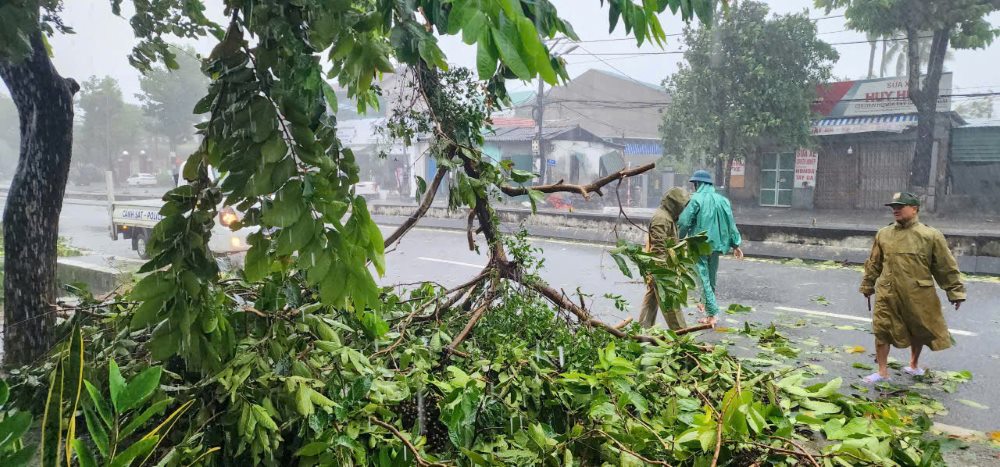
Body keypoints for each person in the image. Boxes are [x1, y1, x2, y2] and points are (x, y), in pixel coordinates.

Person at [859, 192, 966, 384]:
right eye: (893, 207)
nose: (896, 210)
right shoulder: (884, 234)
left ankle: (914, 364)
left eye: (901, 206)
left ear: (915, 208)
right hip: (888, 292)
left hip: (918, 293)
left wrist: (955, 291)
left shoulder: (930, 235)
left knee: (918, 329)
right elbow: (874, 263)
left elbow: (944, 266)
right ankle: (882, 371)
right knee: (881, 329)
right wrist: (868, 284)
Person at [678, 170, 743, 327]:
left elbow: (685, 222)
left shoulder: (695, 200)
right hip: (717, 244)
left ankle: (713, 313)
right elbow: (730, 223)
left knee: (703, 278)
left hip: (699, 243)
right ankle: (707, 309)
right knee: (711, 277)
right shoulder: (723, 201)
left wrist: (677, 238)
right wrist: (736, 244)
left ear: (697, 184)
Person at [639, 187, 690, 330]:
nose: (683, 208)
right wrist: (664, 275)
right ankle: (682, 335)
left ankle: (642, 332)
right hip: (661, 268)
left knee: (651, 300)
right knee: (670, 303)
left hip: (660, 267)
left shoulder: (668, 217)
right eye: (682, 205)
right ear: (674, 204)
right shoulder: (661, 219)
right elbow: (658, 249)